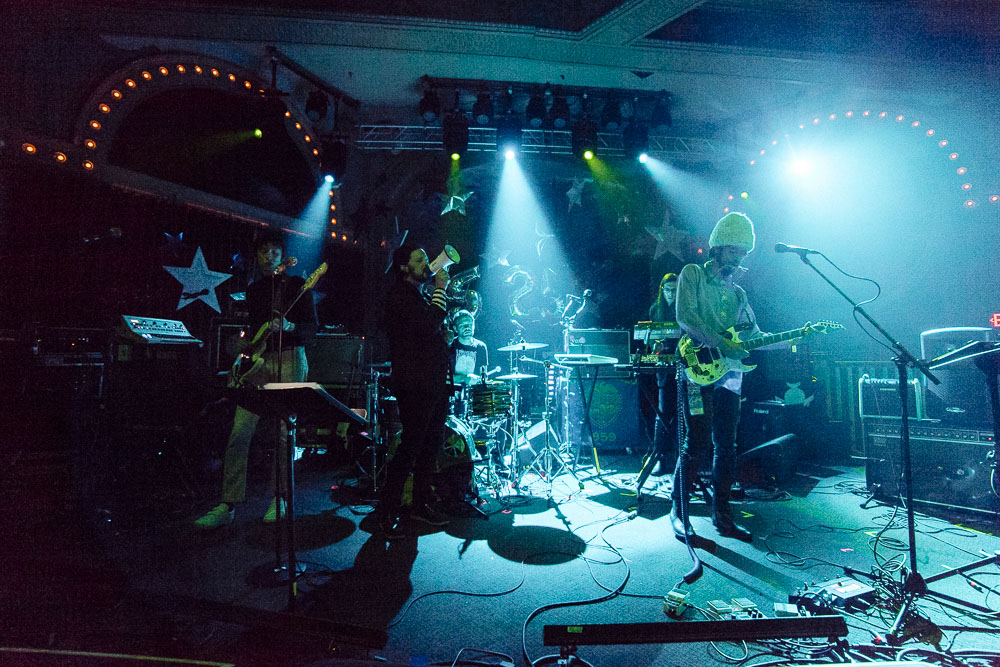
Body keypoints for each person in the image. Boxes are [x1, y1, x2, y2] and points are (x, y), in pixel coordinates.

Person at [669, 212, 787, 543]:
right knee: (696, 441)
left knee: (726, 444)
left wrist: (792, 339)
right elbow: (685, 317)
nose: (738, 258)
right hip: (696, 367)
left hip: (731, 374)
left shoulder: (739, 294)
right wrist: (721, 343)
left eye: (743, 253)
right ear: (718, 247)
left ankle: (722, 515)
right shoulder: (692, 274)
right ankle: (679, 511)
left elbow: (753, 335)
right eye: (734, 250)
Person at [194, 231, 318, 529]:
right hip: (260, 360)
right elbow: (254, 331)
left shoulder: (298, 286)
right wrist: (243, 349)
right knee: (240, 430)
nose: (269, 256)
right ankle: (228, 503)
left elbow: (312, 330)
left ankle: (281, 498)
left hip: (290, 357)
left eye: (274, 251)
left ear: (283, 255)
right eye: (264, 251)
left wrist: (289, 326)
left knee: (283, 433)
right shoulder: (254, 290)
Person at [377, 244, 454, 538]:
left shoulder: (417, 296)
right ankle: (387, 510)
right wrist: (441, 289)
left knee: (429, 446)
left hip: (431, 382)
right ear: (404, 267)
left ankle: (421, 503)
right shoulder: (400, 295)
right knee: (411, 447)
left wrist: (441, 339)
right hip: (415, 384)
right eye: (419, 259)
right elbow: (426, 325)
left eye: (426, 258)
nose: (428, 263)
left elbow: (425, 333)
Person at [647, 273, 679, 476]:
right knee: (663, 411)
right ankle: (661, 456)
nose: (671, 294)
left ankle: (680, 458)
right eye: (667, 290)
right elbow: (650, 337)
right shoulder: (655, 309)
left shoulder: (684, 309)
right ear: (662, 290)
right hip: (663, 366)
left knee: (683, 412)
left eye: (674, 290)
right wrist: (655, 345)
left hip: (685, 363)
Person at [449, 309, 488, 386]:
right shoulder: (449, 346)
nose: (467, 328)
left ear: (474, 326)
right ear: (455, 328)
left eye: (470, 324)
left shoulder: (481, 347)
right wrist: (464, 378)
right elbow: (443, 377)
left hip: (473, 392)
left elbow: (483, 377)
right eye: (462, 325)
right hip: (452, 391)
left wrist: (481, 379)